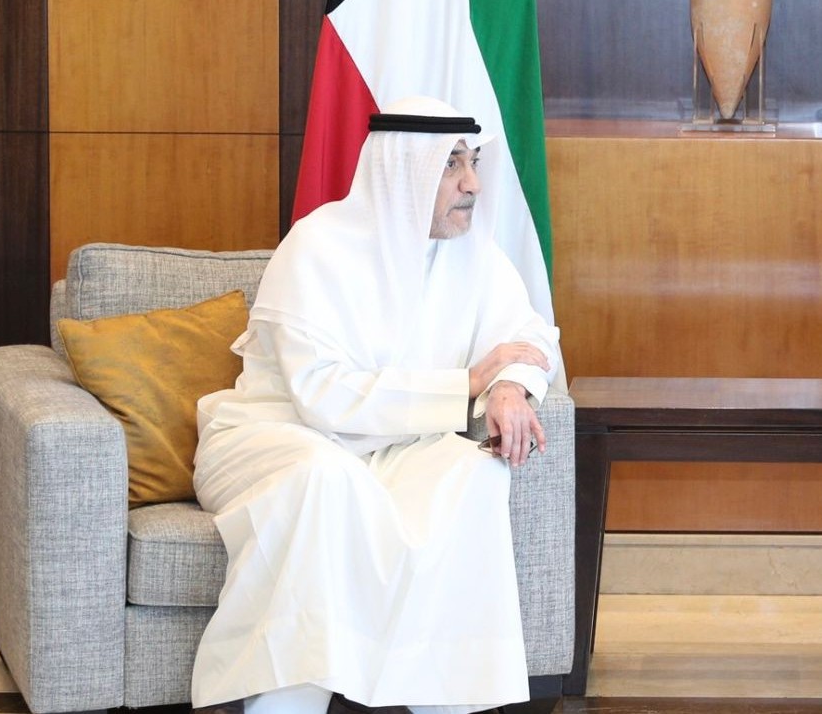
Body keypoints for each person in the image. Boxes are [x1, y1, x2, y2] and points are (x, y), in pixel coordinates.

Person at [189, 97, 563, 714]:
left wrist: (507, 386)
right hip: (274, 439)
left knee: (473, 471)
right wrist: (466, 383)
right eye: (451, 164)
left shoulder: (472, 254)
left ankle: (445, 704)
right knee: (326, 480)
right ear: (403, 170)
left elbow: (530, 338)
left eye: (473, 162)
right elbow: (323, 396)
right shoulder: (316, 248)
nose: (473, 183)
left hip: (390, 449)